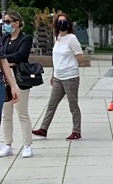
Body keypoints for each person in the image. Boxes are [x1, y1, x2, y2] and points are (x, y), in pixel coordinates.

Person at [33, 12, 84, 141]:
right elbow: (56, 58)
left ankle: (76, 131)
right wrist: (54, 74)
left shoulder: (72, 38)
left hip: (70, 77)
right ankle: (43, 129)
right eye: (59, 21)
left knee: (73, 105)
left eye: (64, 21)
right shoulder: (57, 38)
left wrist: (70, 66)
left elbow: (81, 58)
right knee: (52, 104)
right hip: (58, 77)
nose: (62, 23)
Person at [1, 11, 33, 158]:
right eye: (5, 21)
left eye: (9, 21)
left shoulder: (25, 38)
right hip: (6, 77)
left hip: (19, 77)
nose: (6, 24)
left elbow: (21, 55)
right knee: (6, 113)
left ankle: (27, 144)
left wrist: (5, 59)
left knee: (22, 112)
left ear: (17, 23)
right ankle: (8, 144)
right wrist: (7, 61)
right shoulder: (5, 38)